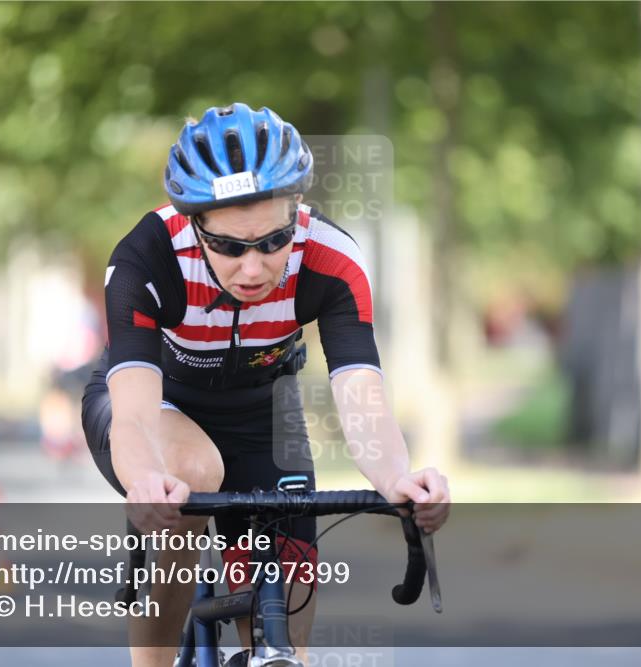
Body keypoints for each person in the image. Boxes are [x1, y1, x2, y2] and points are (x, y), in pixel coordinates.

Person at [81, 102, 450, 667]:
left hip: (263, 418)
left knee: (288, 622)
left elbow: (363, 400)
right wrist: (146, 480)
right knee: (192, 479)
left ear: (296, 210)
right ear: (194, 223)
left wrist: (399, 478)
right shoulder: (147, 257)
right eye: (229, 246)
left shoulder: (330, 258)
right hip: (157, 407)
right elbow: (133, 414)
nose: (253, 269)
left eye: (272, 242)